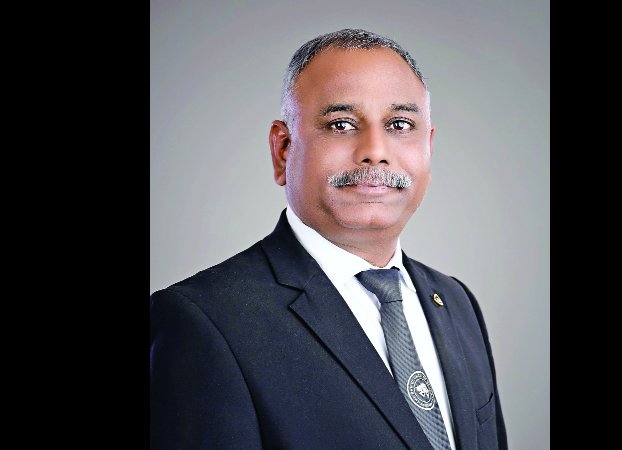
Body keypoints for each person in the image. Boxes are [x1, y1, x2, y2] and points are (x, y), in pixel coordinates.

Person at [150, 28, 507, 450]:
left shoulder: (456, 301)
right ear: (283, 149)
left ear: (428, 147)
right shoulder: (203, 322)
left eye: (399, 124)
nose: (376, 151)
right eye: (341, 124)